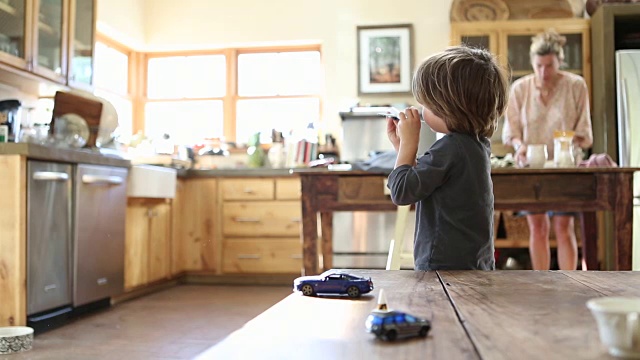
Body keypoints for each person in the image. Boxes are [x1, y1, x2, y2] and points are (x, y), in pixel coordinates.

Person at [385, 45, 509, 270]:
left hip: (443, 267)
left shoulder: (451, 148)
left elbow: (402, 192)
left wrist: (410, 144)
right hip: (472, 263)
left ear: (448, 108)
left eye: (426, 105)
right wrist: (403, 147)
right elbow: (421, 183)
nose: (422, 110)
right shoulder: (474, 145)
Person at [502, 30, 593, 270]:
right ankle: (542, 283)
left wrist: (569, 145)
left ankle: (569, 282)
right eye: (539, 65)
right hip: (533, 167)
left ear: (560, 61)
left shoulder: (576, 86)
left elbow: (584, 131)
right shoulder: (520, 89)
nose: (544, 72)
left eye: (550, 65)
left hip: (565, 169)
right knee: (537, 226)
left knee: (564, 227)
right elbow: (511, 131)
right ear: (532, 62)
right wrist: (520, 147)